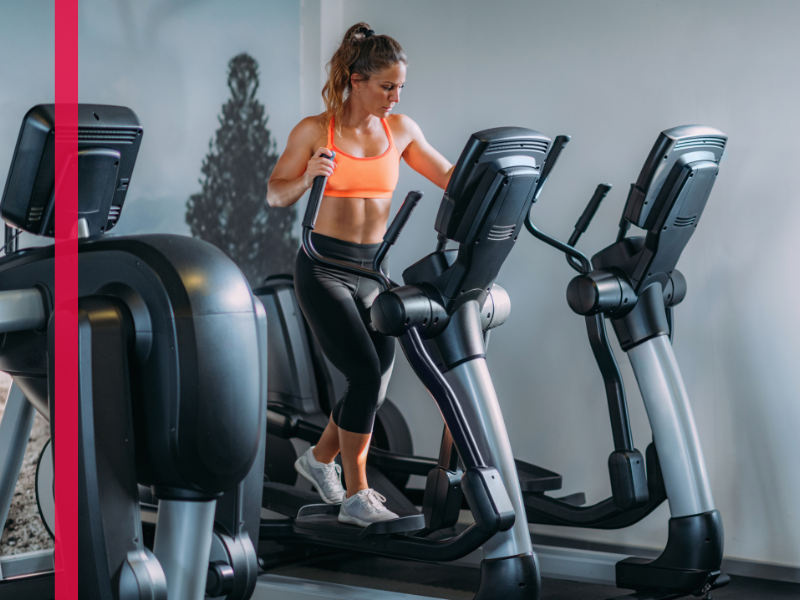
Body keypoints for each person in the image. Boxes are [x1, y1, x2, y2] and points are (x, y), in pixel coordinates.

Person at [267, 22, 453, 527]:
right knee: (365, 374)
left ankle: (319, 459)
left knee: (374, 380)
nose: (395, 96)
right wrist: (307, 176)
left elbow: (451, 177)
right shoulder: (315, 131)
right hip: (323, 267)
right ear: (356, 79)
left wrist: (506, 182)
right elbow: (274, 193)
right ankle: (357, 494)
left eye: (400, 87)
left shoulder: (402, 130)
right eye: (386, 86)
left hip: (373, 269)